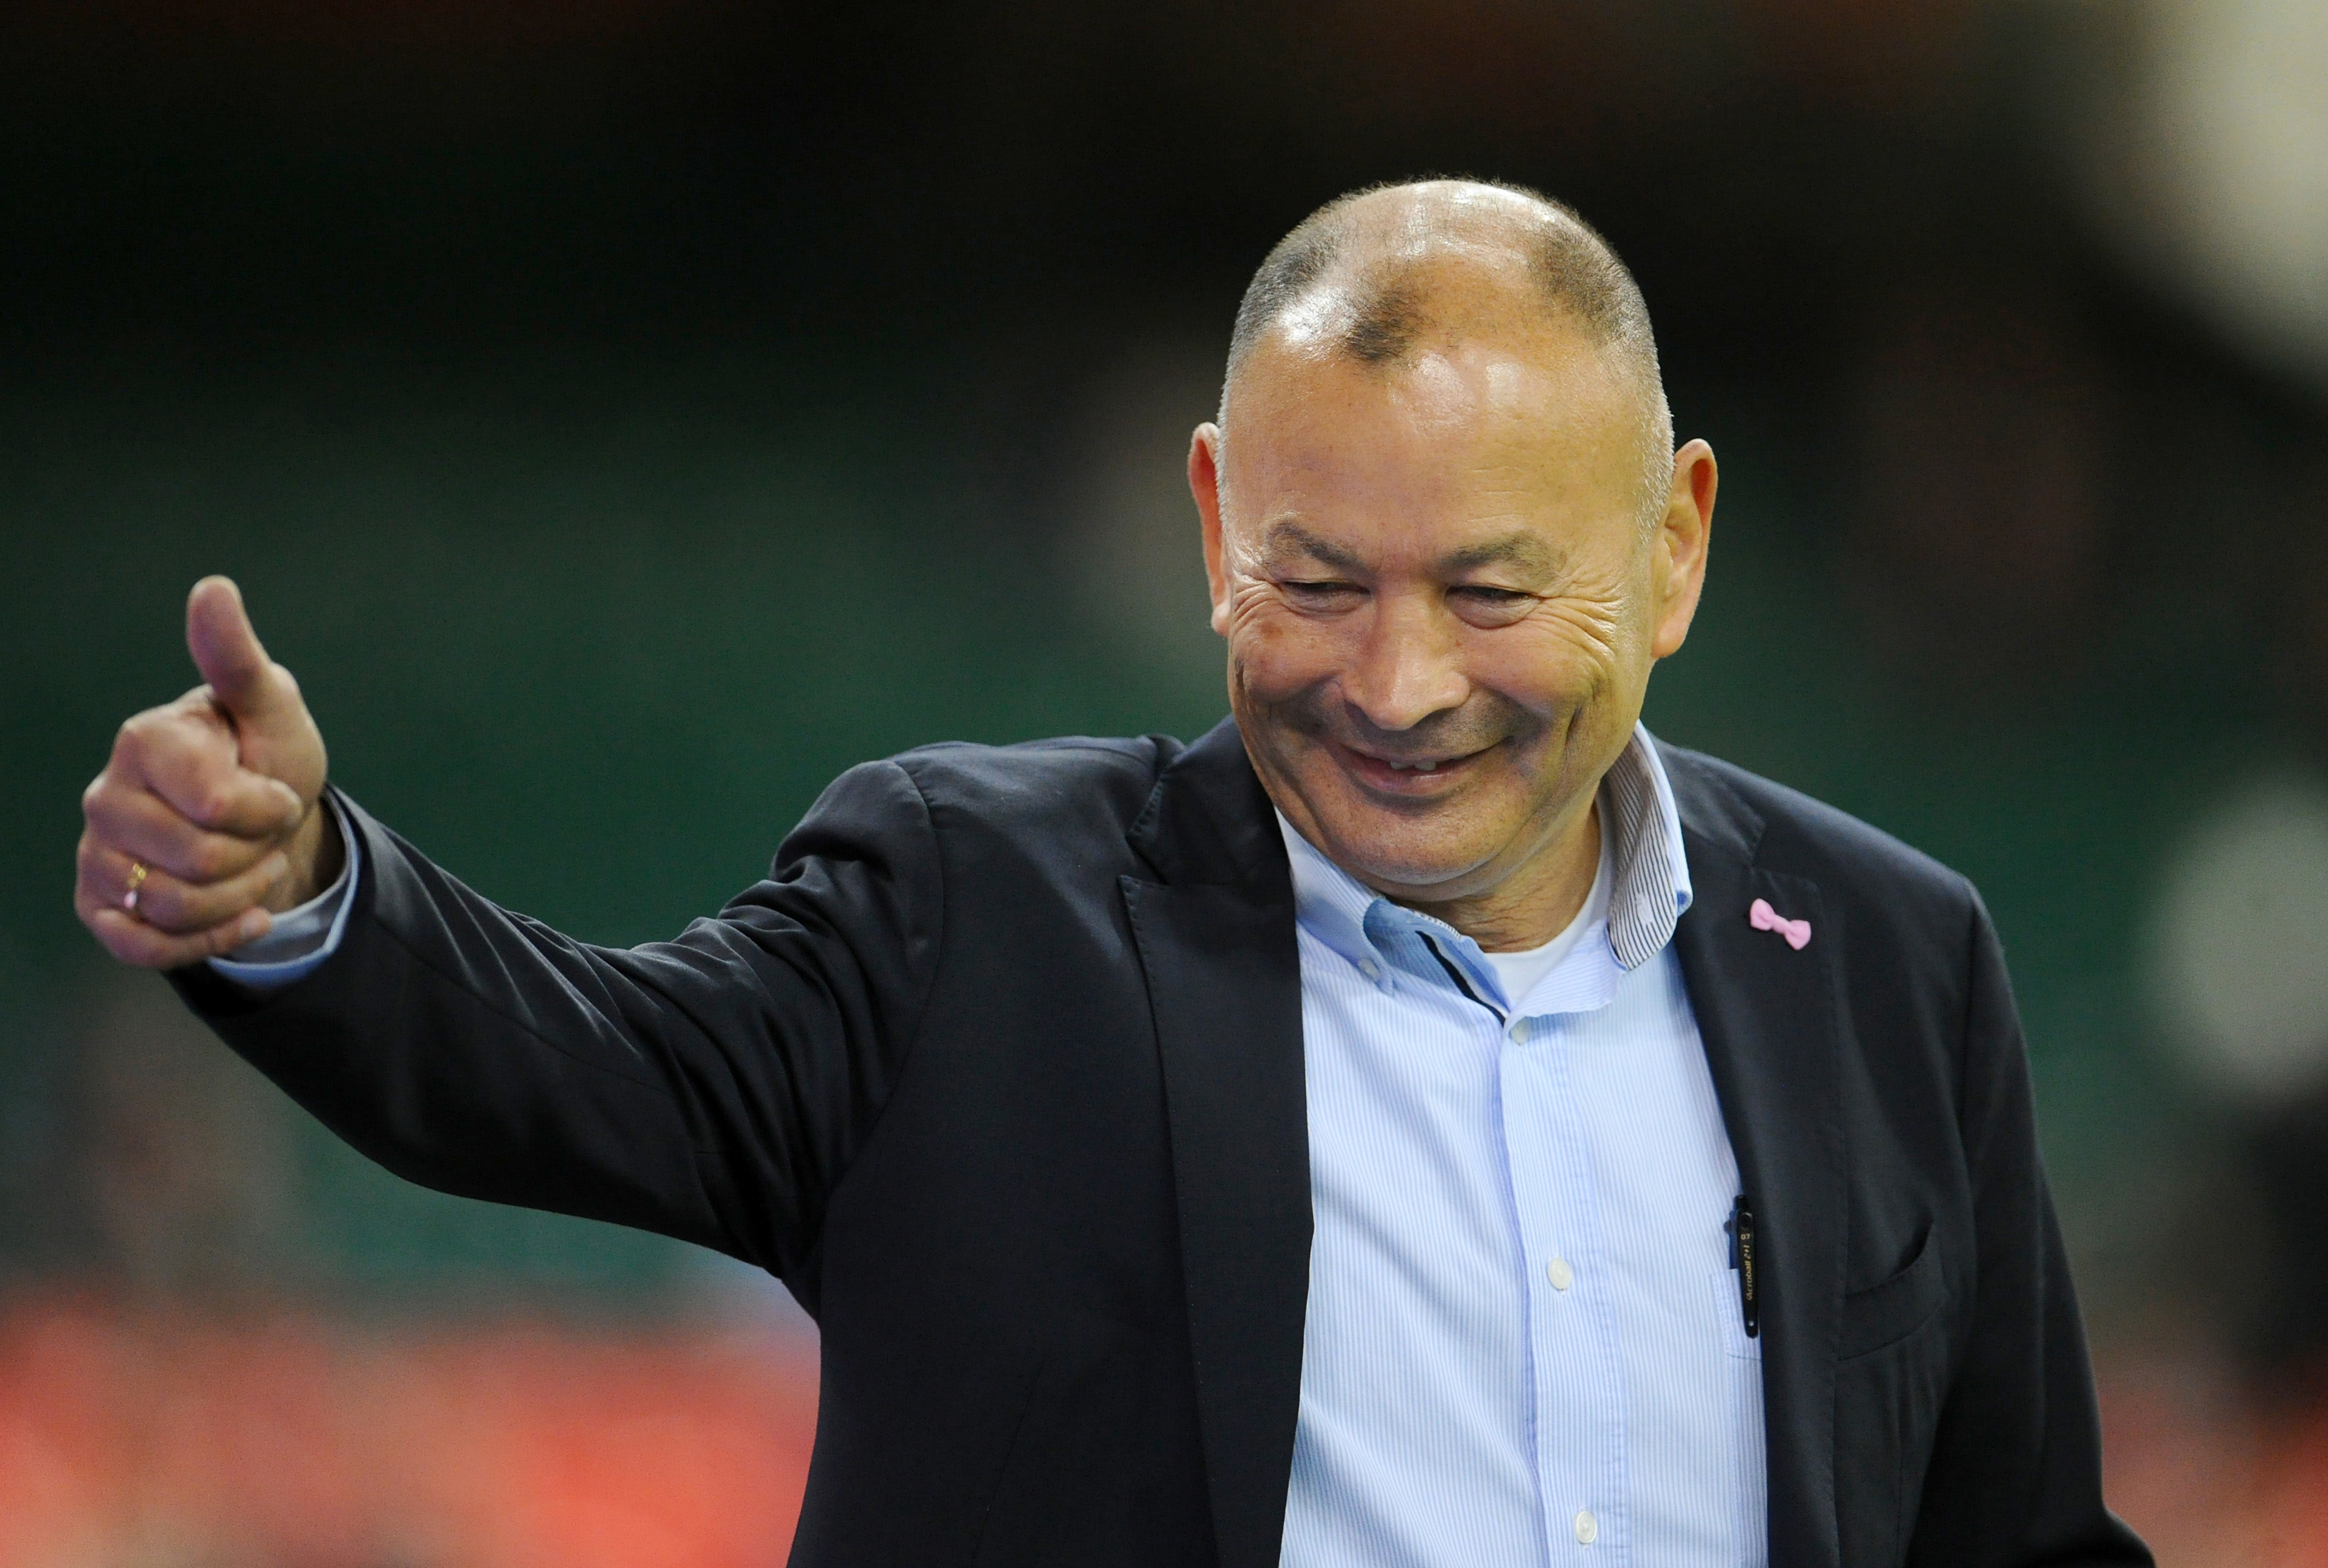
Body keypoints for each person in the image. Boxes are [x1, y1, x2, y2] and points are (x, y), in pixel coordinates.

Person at [72, 180, 2149, 1567]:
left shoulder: (1887, 962)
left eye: (1494, 593)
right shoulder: (979, 914)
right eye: (1314, 581)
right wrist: (298, 892)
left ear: (1675, 543)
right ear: (1211, 517)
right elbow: (583, 1062)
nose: (1398, 684)